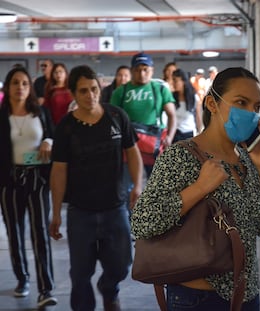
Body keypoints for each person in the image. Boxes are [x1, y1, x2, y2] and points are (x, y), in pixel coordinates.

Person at [131, 67, 260, 311]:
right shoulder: (180, 156)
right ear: (212, 104)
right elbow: (142, 222)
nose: (251, 113)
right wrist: (199, 187)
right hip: (197, 299)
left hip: (247, 296)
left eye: (256, 107)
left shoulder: (247, 160)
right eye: (241, 102)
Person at [49, 65, 143, 311]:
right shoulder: (66, 128)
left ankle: (109, 289)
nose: (90, 95)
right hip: (81, 212)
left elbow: (133, 154)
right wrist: (56, 212)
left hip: (115, 208)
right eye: (83, 91)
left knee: (122, 265)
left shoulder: (117, 116)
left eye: (93, 89)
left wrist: (137, 186)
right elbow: (59, 171)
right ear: (73, 94)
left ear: (99, 88)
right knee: (80, 274)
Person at [0, 66, 57, 308]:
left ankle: (45, 288)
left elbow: (54, 135)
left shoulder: (41, 112)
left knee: (40, 234)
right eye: (15, 83)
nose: (20, 87)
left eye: (24, 83)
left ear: (29, 87)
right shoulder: (2, 117)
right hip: (9, 180)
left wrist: (47, 140)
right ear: (8, 87)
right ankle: (22, 278)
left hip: (37, 180)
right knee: (14, 232)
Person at [110, 51, 177, 177]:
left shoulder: (161, 89)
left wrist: (170, 137)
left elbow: (172, 114)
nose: (142, 74)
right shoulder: (120, 92)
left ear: (152, 70)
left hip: (155, 144)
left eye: (145, 69)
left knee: (157, 186)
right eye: (137, 70)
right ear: (132, 71)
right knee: (128, 186)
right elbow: (113, 119)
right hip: (129, 145)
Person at [171, 68, 203, 142]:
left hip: (188, 133)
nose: (173, 83)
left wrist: (200, 134)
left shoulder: (194, 97)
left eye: (175, 80)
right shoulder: (171, 97)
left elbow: (198, 117)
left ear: (183, 81)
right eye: (173, 80)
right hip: (174, 134)